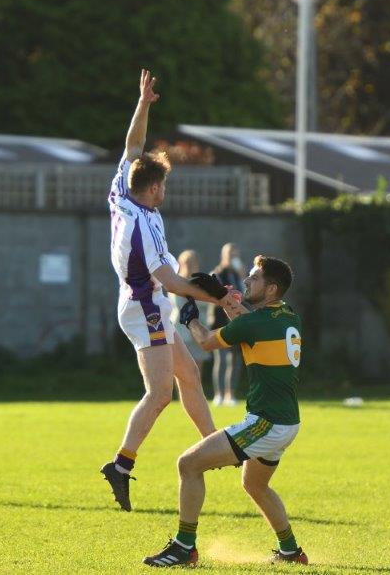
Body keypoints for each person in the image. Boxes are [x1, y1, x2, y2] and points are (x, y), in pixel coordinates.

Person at [101, 69, 231, 512]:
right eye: (165, 186)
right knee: (160, 393)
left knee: (190, 376)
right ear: (153, 188)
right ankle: (120, 464)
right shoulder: (143, 227)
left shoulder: (123, 188)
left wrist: (143, 104)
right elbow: (173, 282)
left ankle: (215, 446)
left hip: (145, 302)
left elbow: (132, 148)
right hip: (146, 307)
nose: (165, 191)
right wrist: (218, 297)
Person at [144, 255, 308, 567]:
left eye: (254, 278)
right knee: (254, 484)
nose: (247, 281)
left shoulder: (254, 323)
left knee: (188, 465)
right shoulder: (287, 316)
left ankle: (184, 548)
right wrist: (224, 299)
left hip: (266, 423)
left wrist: (190, 317)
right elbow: (248, 324)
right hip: (287, 422)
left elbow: (205, 341)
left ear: (271, 289)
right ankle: (291, 552)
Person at [210, 243, 245, 406]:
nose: (233, 257)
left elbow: (244, 297)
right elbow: (213, 297)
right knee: (221, 359)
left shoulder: (238, 275)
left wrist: (243, 276)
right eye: (230, 254)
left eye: (235, 254)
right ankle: (219, 394)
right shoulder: (218, 273)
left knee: (235, 360)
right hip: (220, 321)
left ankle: (230, 395)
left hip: (236, 322)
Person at [169, 250, 208, 366]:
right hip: (181, 329)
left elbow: (207, 303)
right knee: (182, 367)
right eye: (188, 262)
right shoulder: (175, 283)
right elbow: (181, 305)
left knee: (197, 366)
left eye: (193, 262)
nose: (190, 266)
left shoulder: (201, 282)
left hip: (199, 328)